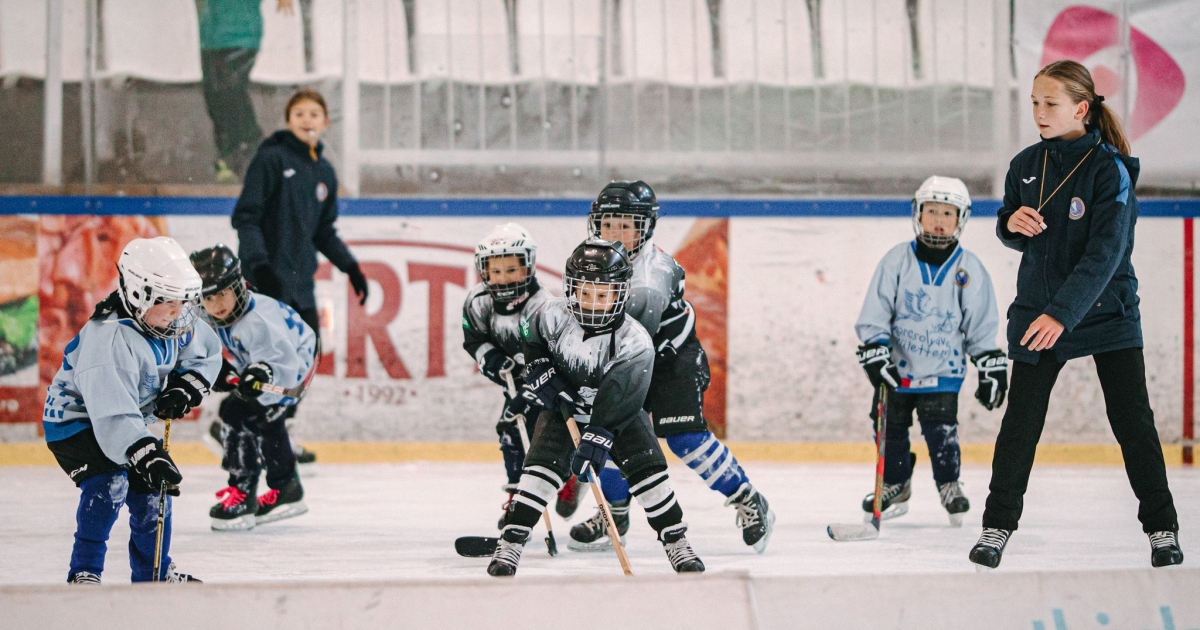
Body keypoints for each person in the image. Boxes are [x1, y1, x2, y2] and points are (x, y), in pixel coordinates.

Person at [970, 60, 1182, 570]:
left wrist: (1062, 315)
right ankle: (997, 526)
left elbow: (1106, 254)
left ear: (1081, 108)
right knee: (1020, 423)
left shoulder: (1110, 171)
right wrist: (1011, 224)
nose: (1039, 112)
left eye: (1051, 103)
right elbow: (1012, 226)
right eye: (1034, 103)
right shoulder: (1025, 164)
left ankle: (1162, 529)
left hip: (1106, 311)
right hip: (1040, 310)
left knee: (1133, 421)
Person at [567, 181, 775, 554]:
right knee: (617, 430)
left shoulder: (650, 280)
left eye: (626, 225)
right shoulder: (591, 261)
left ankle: (747, 497)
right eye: (608, 223)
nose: (615, 233)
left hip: (670, 360)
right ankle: (615, 514)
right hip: (627, 355)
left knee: (684, 438)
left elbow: (632, 347)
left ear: (645, 228)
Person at [487, 239, 705, 576]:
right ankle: (511, 543)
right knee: (538, 473)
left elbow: (621, 396)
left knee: (651, 475)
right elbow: (531, 335)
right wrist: (539, 368)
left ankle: (676, 541)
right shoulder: (550, 314)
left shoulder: (635, 341)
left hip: (618, 418)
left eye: (603, 295)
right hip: (565, 411)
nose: (592, 302)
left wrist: (599, 436)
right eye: (585, 292)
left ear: (621, 293)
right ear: (570, 288)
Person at [43, 237, 221, 584]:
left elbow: (204, 354)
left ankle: (153, 574)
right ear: (140, 295)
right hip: (75, 422)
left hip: (123, 423)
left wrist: (186, 386)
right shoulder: (108, 339)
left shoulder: (169, 322)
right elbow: (112, 412)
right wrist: (145, 451)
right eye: (168, 300)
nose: (178, 310)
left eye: (182, 300)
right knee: (109, 482)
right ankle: (84, 572)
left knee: (153, 492)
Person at [230, 88, 370, 467]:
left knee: (305, 360)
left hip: (300, 285)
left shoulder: (324, 172)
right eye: (299, 114)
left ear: (325, 122)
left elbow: (323, 230)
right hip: (266, 282)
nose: (307, 120)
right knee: (266, 362)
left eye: (314, 114)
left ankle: (280, 429)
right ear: (288, 121)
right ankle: (234, 425)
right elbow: (246, 217)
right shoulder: (271, 159)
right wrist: (259, 266)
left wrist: (351, 267)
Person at [854, 175, 1004, 526]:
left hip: (943, 369)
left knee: (941, 430)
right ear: (917, 213)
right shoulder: (896, 261)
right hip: (897, 367)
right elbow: (876, 311)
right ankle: (895, 483)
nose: (939, 219)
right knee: (888, 427)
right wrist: (875, 349)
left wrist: (988, 363)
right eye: (932, 211)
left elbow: (980, 322)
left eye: (948, 213)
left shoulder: (969, 269)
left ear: (961, 219)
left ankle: (949, 484)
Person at [462, 224, 585, 524]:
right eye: (496, 271)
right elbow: (474, 340)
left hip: (553, 380)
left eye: (511, 270)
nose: (503, 278)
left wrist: (529, 390)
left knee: (542, 432)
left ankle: (567, 475)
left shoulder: (542, 306)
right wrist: (491, 359)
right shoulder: (477, 302)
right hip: (516, 380)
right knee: (511, 430)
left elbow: (554, 358)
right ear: (484, 271)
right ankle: (519, 498)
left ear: (528, 266)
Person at [191, 244, 317, 531]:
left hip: (295, 365)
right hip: (272, 360)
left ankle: (244, 493)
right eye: (208, 297)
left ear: (238, 285)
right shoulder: (216, 315)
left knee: (243, 413)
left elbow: (283, 361)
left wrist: (262, 372)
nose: (217, 304)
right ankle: (286, 487)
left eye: (223, 293)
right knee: (251, 413)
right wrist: (219, 369)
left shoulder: (258, 321)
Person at [195, 0, 296, 183]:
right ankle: (231, 155)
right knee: (215, 99)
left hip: (241, 34)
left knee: (230, 92)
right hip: (211, 36)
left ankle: (251, 145)